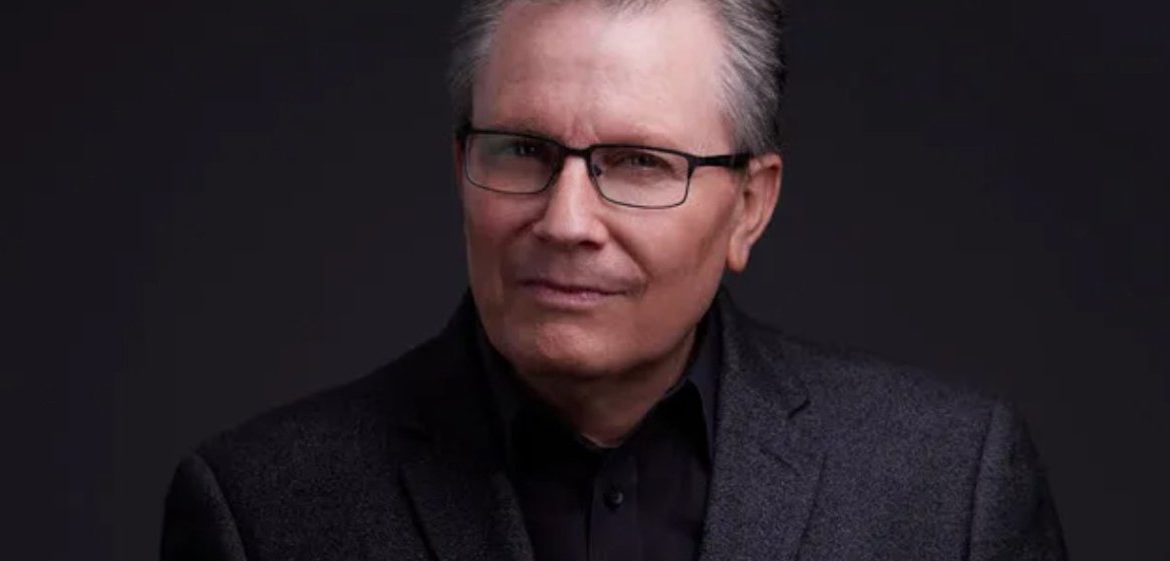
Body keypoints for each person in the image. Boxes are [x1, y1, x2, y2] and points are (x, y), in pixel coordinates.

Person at [161, 0, 1067, 559]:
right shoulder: (261, 512)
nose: (565, 221)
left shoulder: (948, 487)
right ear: (459, 165)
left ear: (750, 206)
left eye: (638, 163)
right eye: (522, 151)